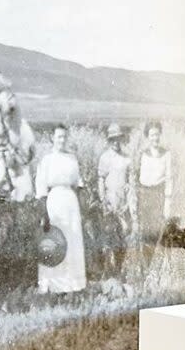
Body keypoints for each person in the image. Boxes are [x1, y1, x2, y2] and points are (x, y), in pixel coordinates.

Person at [35, 124, 86, 294]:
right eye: (58, 137)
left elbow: (78, 184)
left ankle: (73, 284)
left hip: (71, 203)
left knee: (72, 241)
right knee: (56, 241)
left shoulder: (72, 158)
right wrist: (44, 214)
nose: (61, 140)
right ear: (52, 139)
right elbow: (41, 188)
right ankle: (53, 285)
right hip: (54, 202)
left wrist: (80, 207)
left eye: (64, 137)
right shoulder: (47, 160)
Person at [135, 120, 173, 275]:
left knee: (159, 232)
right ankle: (145, 269)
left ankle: (160, 271)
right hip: (144, 196)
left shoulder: (167, 154)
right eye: (151, 135)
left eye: (157, 134)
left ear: (160, 135)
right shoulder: (142, 155)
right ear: (147, 136)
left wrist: (167, 203)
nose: (155, 138)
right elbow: (136, 178)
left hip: (159, 196)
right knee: (145, 233)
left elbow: (170, 179)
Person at [97, 123, 134, 278]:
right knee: (108, 236)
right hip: (109, 202)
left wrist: (129, 201)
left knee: (123, 236)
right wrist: (103, 199)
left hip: (123, 203)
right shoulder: (104, 158)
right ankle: (107, 271)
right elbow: (100, 179)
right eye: (113, 139)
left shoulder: (127, 158)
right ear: (109, 140)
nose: (116, 142)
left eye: (118, 139)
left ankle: (118, 269)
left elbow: (131, 181)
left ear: (121, 139)